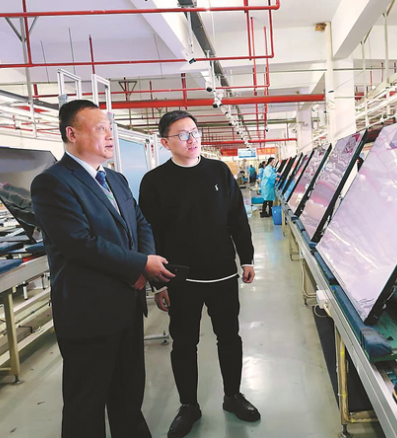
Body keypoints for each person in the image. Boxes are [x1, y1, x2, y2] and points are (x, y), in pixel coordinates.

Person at [30, 99, 174, 438]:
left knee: (128, 395)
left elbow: (140, 223)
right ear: (72, 134)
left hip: (127, 305)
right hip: (88, 313)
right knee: (86, 404)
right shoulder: (52, 183)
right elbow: (79, 243)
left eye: (110, 129)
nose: (110, 136)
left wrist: (144, 265)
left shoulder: (115, 179)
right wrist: (141, 264)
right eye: (100, 129)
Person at [139, 110, 259, 438]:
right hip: (180, 278)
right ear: (165, 143)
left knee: (229, 337)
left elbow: (237, 219)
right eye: (182, 135)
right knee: (184, 343)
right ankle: (188, 406)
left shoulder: (219, 171)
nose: (191, 139)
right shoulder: (155, 182)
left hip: (222, 274)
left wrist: (247, 259)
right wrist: (157, 284)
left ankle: (233, 396)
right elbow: (150, 234)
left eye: (194, 132)